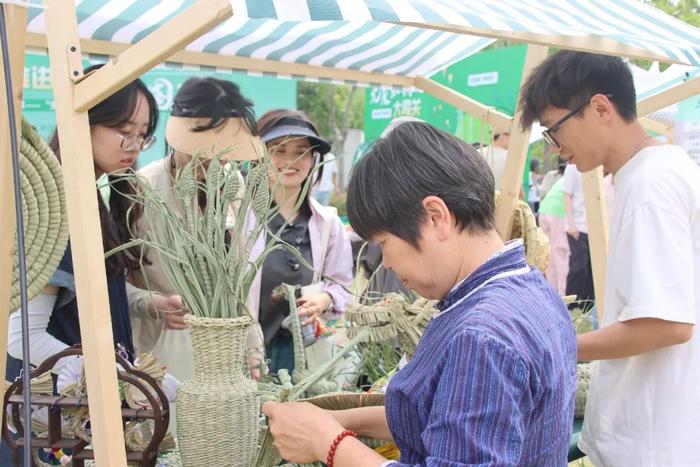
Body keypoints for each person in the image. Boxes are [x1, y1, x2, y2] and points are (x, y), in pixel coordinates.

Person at [262, 121, 576, 466]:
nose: (388, 264)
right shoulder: (530, 288)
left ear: (436, 216)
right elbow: (444, 418)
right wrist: (338, 421)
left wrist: (329, 443)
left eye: (384, 244)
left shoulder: (480, 337)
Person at [519, 50, 700, 466]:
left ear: (600, 108)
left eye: (554, 130)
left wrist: (558, 348)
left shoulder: (651, 185)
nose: (555, 148)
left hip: (656, 443)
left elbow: (667, 324)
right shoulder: (653, 175)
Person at [3, 65, 178, 461]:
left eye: (142, 134)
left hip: (77, 414)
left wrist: (146, 303)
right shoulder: (53, 209)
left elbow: (87, 292)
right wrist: (118, 376)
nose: (134, 145)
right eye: (123, 130)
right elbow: (23, 336)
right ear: (83, 120)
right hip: (53, 422)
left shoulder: (92, 197)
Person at [128, 76, 265, 382]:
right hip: (159, 349)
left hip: (222, 351)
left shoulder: (233, 184)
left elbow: (239, 282)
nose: (212, 156)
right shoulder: (143, 188)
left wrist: (253, 350)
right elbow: (114, 281)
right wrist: (153, 303)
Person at [246, 109, 353, 374]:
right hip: (249, 359)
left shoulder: (327, 223)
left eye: (301, 151)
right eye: (278, 150)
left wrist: (325, 300)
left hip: (307, 360)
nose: (290, 161)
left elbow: (342, 286)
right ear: (259, 155)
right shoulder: (237, 220)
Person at [561, 162, 595, 309]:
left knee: (592, 270)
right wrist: (571, 223)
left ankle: (588, 306)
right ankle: (571, 305)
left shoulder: (599, 165)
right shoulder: (573, 166)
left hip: (594, 228)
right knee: (578, 267)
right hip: (577, 226)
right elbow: (567, 195)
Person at [538, 162, 569, 295]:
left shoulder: (563, 179)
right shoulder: (582, 176)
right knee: (560, 253)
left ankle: (551, 291)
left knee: (549, 254)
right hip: (558, 213)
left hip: (543, 210)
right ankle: (562, 293)